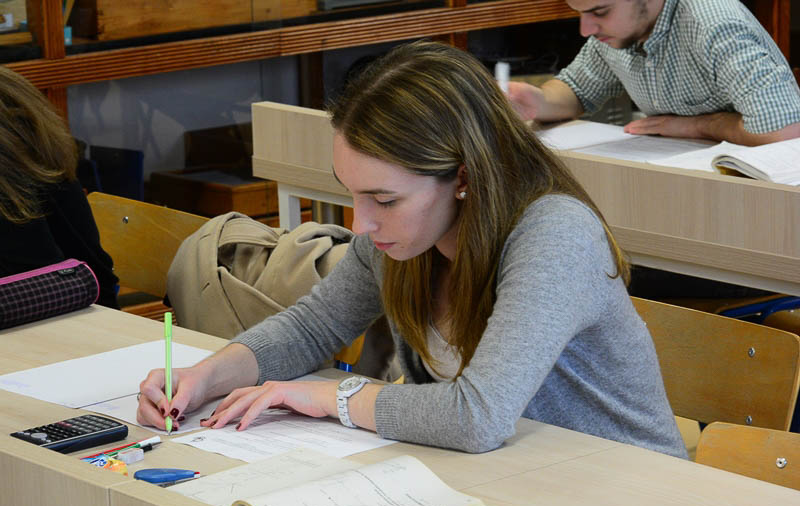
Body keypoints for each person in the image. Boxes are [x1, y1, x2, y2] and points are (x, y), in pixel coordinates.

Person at [137, 41, 687, 459]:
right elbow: (312, 327)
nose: (361, 224)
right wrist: (206, 376)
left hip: (624, 490)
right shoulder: (407, 237)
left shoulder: (555, 234)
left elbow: (478, 416)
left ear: (463, 177)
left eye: (384, 199)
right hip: (510, 477)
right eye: (352, 193)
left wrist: (333, 398)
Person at [508, 0, 800, 146]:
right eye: (579, 12)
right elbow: (577, 90)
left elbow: (785, 131)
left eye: (600, 12)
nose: (586, 29)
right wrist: (537, 100)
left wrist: (697, 126)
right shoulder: (619, 32)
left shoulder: (714, 24)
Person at [0, 67, 119, 308]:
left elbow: (33, 287)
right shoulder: (16, 100)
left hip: (64, 314)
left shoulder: (13, 178)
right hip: (85, 306)